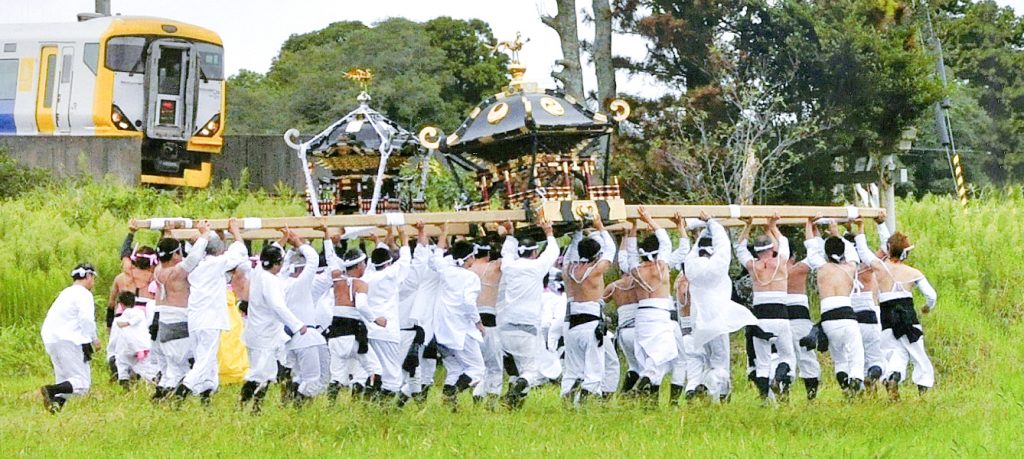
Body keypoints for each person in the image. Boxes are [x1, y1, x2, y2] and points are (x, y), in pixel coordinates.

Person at [855, 218, 937, 400]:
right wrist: (927, 307)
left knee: (894, 354)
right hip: (908, 316)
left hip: (886, 316)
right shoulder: (913, 272)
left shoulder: (881, 268)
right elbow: (931, 295)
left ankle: (893, 377)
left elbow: (863, 251)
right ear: (905, 253)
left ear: (888, 249)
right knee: (918, 356)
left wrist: (861, 228)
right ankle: (922, 393)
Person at [683, 212, 758, 403]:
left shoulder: (690, 266)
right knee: (719, 364)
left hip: (697, 322)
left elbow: (692, 251)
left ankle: (714, 394)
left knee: (706, 360)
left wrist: (703, 230)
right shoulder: (716, 267)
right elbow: (724, 245)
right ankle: (709, 388)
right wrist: (711, 222)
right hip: (715, 321)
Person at [174, 218, 248, 405]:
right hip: (210, 320)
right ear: (219, 251)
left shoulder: (197, 267)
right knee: (205, 360)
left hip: (197, 320)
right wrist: (236, 231)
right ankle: (183, 389)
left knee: (208, 359)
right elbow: (240, 252)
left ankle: (206, 394)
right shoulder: (216, 264)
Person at [239, 241, 308, 414]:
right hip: (265, 335)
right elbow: (278, 307)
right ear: (277, 264)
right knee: (259, 374)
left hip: (260, 332)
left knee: (267, 373)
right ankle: (242, 406)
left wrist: (281, 240)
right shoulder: (270, 281)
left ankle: (255, 408)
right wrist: (297, 324)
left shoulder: (258, 273)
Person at [497, 217, 558, 408]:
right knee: (532, 371)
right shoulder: (536, 267)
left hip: (506, 327)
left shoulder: (509, 267)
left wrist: (510, 235)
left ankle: (514, 403)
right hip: (527, 327)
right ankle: (521, 385)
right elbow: (553, 252)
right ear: (534, 253)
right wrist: (549, 232)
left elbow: (506, 252)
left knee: (518, 369)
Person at [735, 214, 796, 401]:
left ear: (757, 251)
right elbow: (783, 241)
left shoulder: (753, 265)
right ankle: (778, 379)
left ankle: (763, 398)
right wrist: (773, 226)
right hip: (780, 314)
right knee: (787, 357)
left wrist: (748, 226)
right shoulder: (781, 262)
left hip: (760, 316)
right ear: (771, 249)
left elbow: (739, 248)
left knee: (762, 362)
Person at [561, 212, 616, 403]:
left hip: (572, 324)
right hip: (591, 323)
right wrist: (600, 226)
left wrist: (577, 233)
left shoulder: (568, 269)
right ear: (596, 255)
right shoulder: (595, 271)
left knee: (573, 367)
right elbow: (610, 250)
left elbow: (569, 254)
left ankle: (567, 397)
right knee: (594, 369)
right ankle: (584, 399)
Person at [626, 206, 679, 402]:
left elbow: (630, 254)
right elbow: (665, 241)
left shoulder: (636, 269)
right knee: (665, 353)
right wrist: (649, 220)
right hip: (658, 313)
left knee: (653, 356)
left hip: (642, 315)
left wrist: (632, 228)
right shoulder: (661, 267)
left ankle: (649, 393)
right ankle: (645, 379)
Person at [430, 237, 486, 408]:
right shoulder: (470, 278)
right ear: (469, 258)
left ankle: (449, 405)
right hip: (461, 330)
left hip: (441, 328)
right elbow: (469, 302)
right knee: (477, 370)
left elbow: (435, 258)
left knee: (454, 368)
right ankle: (453, 393)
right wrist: (478, 322)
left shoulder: (446, 271)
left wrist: (443, 234)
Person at [278, 228, 331, 404]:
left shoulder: (280, 282)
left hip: (300, 337)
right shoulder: (299, 284)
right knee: (313, 380)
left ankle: (292, 406)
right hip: (305, 336)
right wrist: (299, 243)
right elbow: (314, 260)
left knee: (304, 377)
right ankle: (297, 408)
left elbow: (284, 266)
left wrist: (290, 246)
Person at [40, 263, 100, 413]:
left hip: (52, 339)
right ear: (88, 276)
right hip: (69, 339)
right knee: (82, 383)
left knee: (65, 381)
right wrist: (94, 338)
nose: (93, 281)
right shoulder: (84, 294)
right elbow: (86, 319)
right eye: (93, 277)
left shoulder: (66, 293)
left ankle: (55, 409)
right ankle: (50, 390)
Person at [361, 225, 412, 400]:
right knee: (391, 373)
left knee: (374, 369)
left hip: (369, 330)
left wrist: (383, 239)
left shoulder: (366, 277)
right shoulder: (390, 275)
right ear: (389, 263)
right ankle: (386, 409)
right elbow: (405, 262)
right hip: (387, 330)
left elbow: (377, 259)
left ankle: (371, 402)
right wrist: (404, 240)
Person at [151, 236, 205, 400]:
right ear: (175, 254)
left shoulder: (158, 270)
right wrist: (203, 236)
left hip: (161, 321)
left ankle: (160, 399)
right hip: (178, 321)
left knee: (171, 369)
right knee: (184, 367)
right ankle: (175, 399)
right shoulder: (175, 272)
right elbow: (193, 260)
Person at [815, 236, 867, 395]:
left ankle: (846, 388)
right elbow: (853, 255)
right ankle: (856, 379)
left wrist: (812, 227)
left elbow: (812, 247)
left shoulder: (821, 268)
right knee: (856, 355)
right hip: (846, 315)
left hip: (828, 318)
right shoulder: (850, 268)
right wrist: (837, 234)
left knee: (839, 359)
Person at [785, 218, 825, 399]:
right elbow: (817, 251)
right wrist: (812, 227)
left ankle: (782, 392)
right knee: (807, 358)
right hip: (799, 319)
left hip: (780, 318)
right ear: (792, 256)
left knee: (782, 357)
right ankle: (811, 395)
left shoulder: (770, 270)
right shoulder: (798, 269)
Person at [469, 236, 504, 405]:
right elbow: (510, 259)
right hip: (488, 319)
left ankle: (478, 391)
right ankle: (490, 398)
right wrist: (506, 236)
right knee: (495, 365)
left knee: (477, 363)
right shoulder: (494, 267)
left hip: (468, 321)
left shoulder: (467, 268)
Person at [113, 291, 159, 387]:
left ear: (121, 304)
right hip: (143, 347)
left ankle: (125, 386)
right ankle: (155, 382)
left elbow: (116, 336)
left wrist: (127, 323)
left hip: (127, 348)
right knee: (144, 368)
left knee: (122, 366)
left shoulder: (124, 315)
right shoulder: (141, 313)